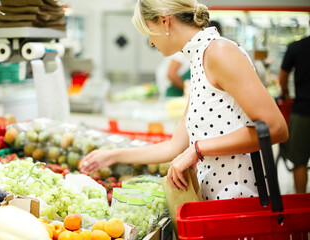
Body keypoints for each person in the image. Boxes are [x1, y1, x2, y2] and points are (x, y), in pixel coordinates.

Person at [80, 0, 288, 200]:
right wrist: (113, 155)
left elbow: (276, 128)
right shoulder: (198, 61)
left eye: (149, 32)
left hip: (239, 203)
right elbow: (175, 147)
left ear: (165, 21)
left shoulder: (219, 52)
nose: (151, 42)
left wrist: (198, 150)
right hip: (215, 202)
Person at [279, 22, 310, 193]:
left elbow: (283, 76)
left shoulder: (297, 47)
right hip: (302, 110)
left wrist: (285, 93)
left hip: (302, 111)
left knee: (300, 162)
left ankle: (302, 202)